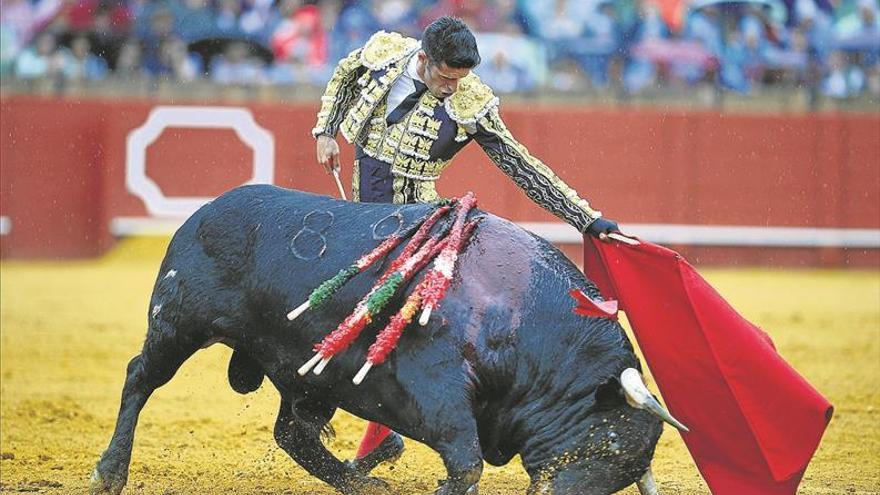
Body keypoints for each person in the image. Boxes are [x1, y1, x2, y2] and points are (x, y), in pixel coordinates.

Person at [311, 15, 620, 475]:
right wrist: (324, 130)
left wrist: (586, 218)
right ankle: (377, 432)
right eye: (446, 77)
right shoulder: (383, 55)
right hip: (361, 212)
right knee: (351, 316)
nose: (453, 88)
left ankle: (390, 436)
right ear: (423, 59)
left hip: (417, 224)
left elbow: (522, 166)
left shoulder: (472, 103)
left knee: (400, 326)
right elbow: (343, 77)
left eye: (460, 79)